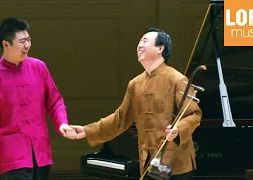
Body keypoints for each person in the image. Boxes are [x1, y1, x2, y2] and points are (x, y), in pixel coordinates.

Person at [72, 27, 202, 180]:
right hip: (149, 163)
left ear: (160, 48)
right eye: (140, 41)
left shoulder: (177, 79)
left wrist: (178, 129)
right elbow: (120, 119)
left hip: (176, 167)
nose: (140, 45)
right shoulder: (135, 84)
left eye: (145, 41)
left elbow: (194, 114)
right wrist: (87, 131)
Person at [0, 17, 76, 180]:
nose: (27, 45)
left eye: (29, 40)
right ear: (6, 44)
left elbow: (55, 101)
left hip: (40, 151)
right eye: (22, 41)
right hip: (11, 156)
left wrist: (62, 122)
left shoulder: (39, 67)